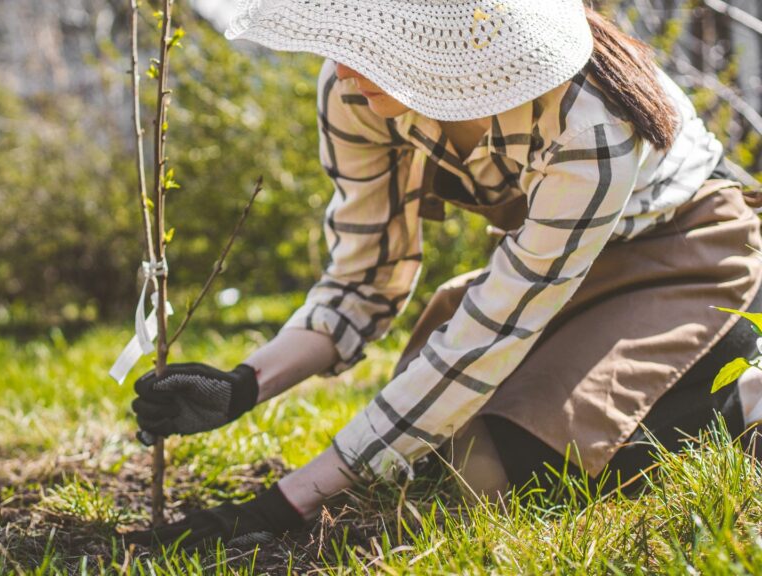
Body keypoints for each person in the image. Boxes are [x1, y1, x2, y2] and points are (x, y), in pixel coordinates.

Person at [128, 0, 762, 549]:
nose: (346, 67)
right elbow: (363, 279)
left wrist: (284, 505)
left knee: (503, 468)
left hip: (690, 254)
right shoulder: (353, 91)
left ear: (463, 51)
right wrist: (244, 386)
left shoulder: (589, 125)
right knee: (437, 452)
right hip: (570, 270)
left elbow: (485, 339)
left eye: (379, 46)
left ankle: (742, 391)